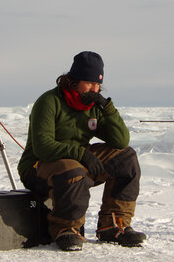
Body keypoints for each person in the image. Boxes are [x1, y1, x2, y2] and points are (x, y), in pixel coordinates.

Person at [17, 51, 146, 251]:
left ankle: (113, 225)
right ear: (74, 80)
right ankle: (66, 229)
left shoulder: (92, 105)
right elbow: (43, 146)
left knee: (126, 158)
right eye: (89, 83)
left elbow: (120, 140)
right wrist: (82, 154)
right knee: (73, 170)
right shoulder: (49, 102)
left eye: (97, 85)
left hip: (75, 161)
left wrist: (107, 108)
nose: (94, 90)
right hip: (37, 166)